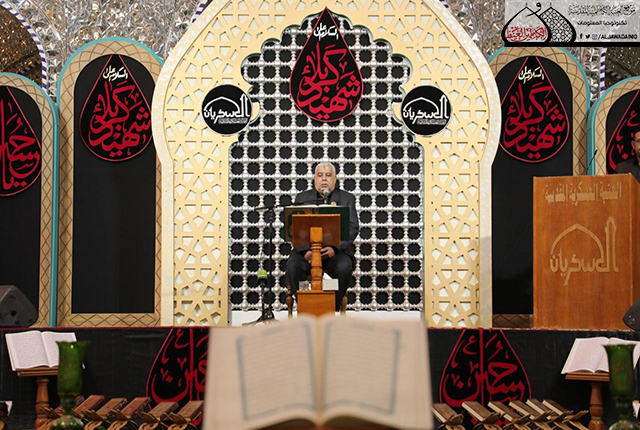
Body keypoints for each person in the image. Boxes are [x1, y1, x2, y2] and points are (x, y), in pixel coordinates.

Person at [285, 162, 359, 311]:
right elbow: (293, 229)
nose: (324, 179)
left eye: (328, 175)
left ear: (335, 179)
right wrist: (305, 251)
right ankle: (306, 305)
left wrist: (334, 249)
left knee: (344, 267)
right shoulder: (302, 198)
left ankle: (332, 306)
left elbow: (353, 228)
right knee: (293, 266)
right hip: (307, 253)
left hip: (335, 253)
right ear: (314, 179)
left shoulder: (347, 198)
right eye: (320, 175)